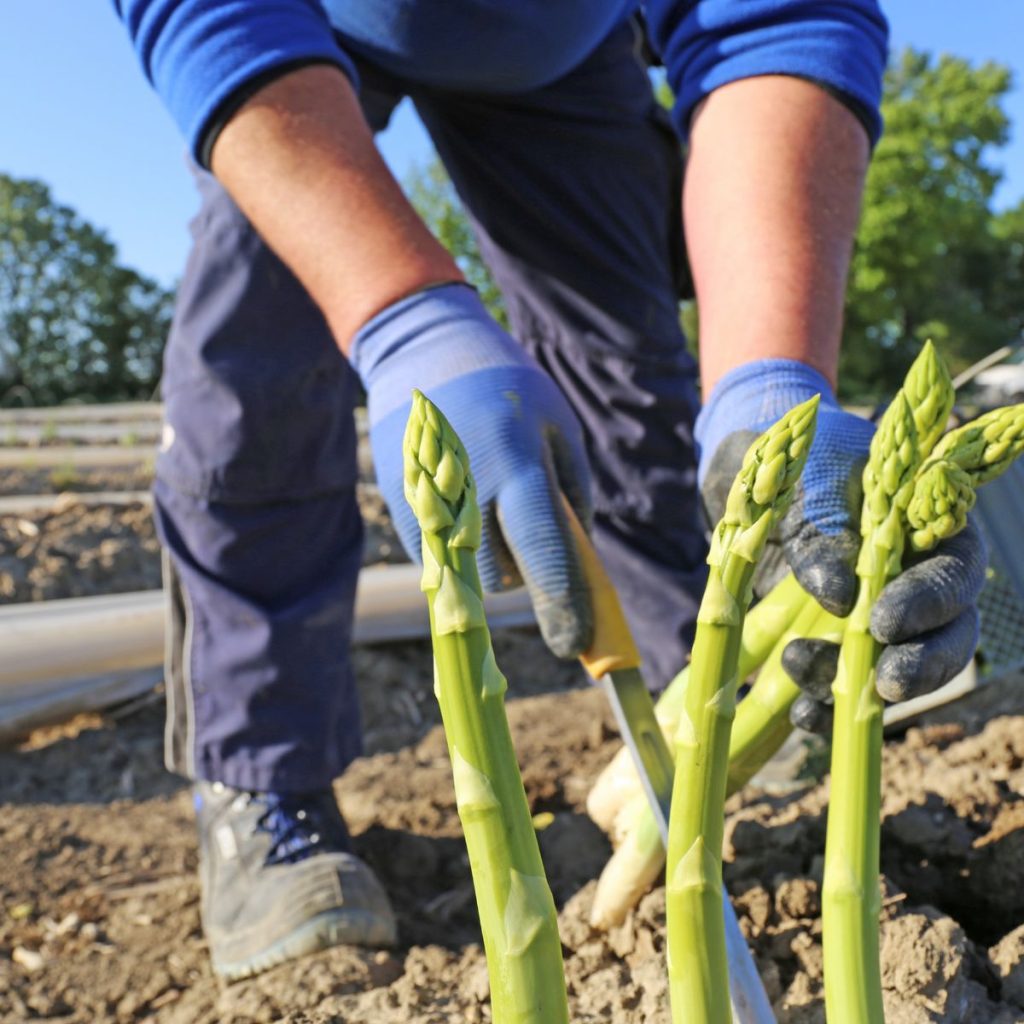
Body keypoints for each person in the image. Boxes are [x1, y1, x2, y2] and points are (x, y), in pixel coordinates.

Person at [112, 0, 986, 982]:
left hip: (562, 47)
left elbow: (776, 20)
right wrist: (402, 318)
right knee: (254, 377)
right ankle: (261, 776)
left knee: (628, 383)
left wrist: (772, 383)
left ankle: (701, 708)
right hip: (295, 30)